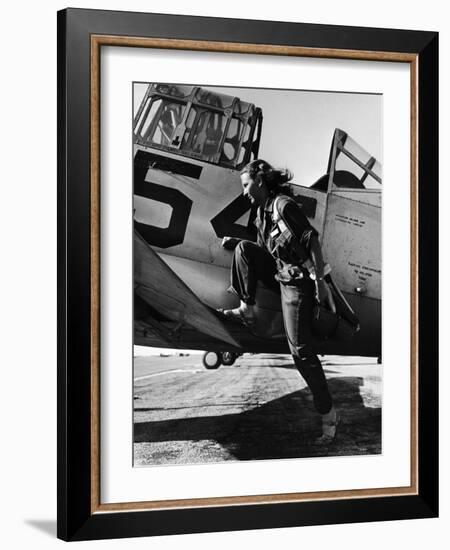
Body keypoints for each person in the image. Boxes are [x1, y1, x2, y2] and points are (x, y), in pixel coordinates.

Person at [221, 159, 339, 445]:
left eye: (247, 185)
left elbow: (312, 239)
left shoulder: (283, 205)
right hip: (279, 274)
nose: (245, 192)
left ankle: (329, 415)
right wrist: (235, 241)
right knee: (243, 249)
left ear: (260, 181)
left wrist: (321, 284)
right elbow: (264, 251)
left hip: (297, 283)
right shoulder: (261, 214)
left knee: (300, 351)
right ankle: (247, 308)